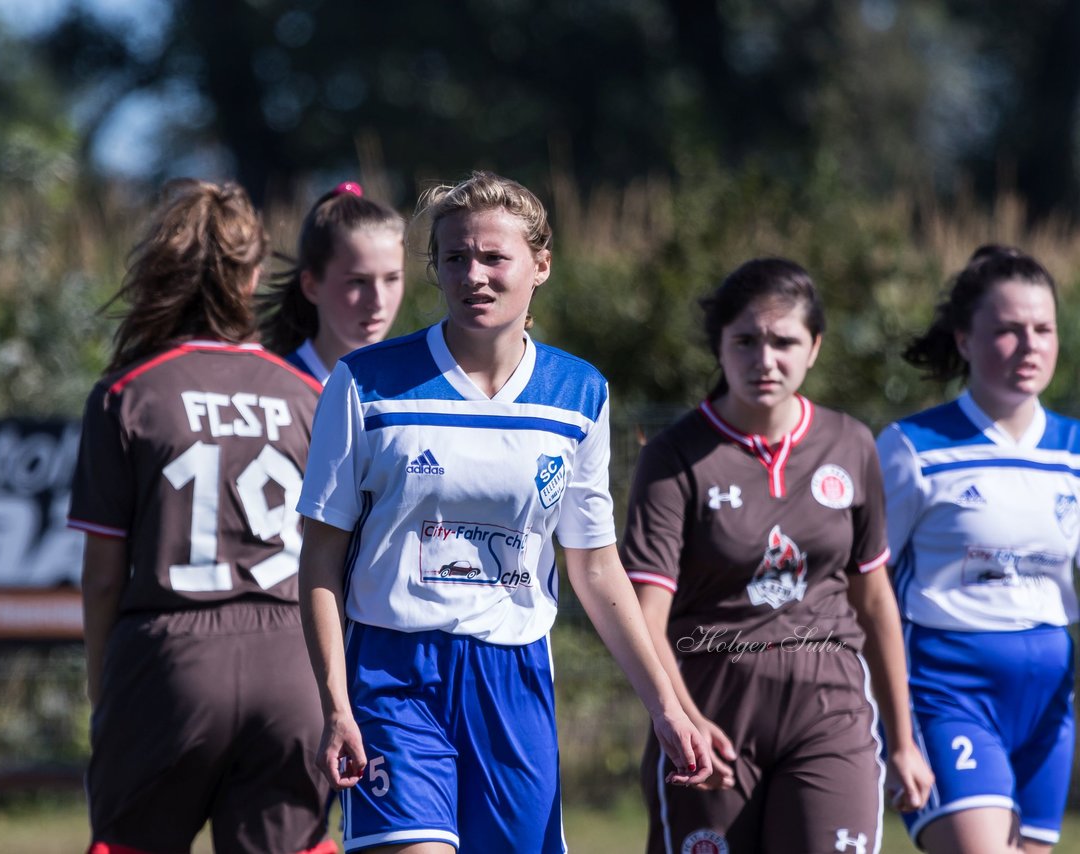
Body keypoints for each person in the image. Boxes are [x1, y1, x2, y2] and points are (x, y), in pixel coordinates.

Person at [297, 171, 710, 854]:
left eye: (494, 257)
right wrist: (336, 703)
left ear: (540, 265)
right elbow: (319, 560)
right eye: (455, 258)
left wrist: (665, 703)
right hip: (394, 676)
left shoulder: (577, 393)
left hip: (514, 679)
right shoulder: (365, 383)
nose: (474, 276)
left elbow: (596, 566)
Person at [620, 257, 933, 854]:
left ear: (813, 347)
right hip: (711, 713)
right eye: (745, 341)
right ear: (720, 346)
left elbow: (874, 600)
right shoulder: (674, 456)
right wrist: (682, 719)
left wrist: (903, 740)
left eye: (784, 341)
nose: (765, 360)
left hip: (831, 714)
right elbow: (645, 619)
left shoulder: (850, 443)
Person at [66, 178, 335, 854]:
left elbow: (101, 578)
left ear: (168, 268)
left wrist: (106, 690)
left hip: (169, 660)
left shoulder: (128, 393)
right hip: (290, 662)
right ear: (251, 274)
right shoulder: (309, 394)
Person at [877, 245, 1076, 854]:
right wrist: (892, 723)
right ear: (964, 341)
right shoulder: (914, 448)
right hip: (946, 688)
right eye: (1008, 331)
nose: (1030, 346)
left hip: (1048, 695)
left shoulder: (1073, 452)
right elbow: (865, 585)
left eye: (1043, 329)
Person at [257, 180, 406, 384]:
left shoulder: (406, 389)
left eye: (392, 279)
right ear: (311, 286)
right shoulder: (280, 392)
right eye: (358, 281)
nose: (378, 301)